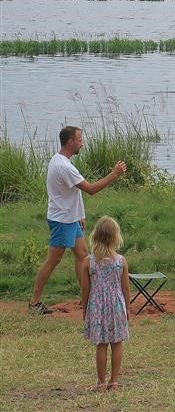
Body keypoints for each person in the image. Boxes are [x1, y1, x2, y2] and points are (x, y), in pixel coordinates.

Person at [29, 126, 127, 314]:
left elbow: (72, 193)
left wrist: (79, 215)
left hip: (70, 218)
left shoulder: (59, 160)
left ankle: (87, 299)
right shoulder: (64, 166)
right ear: (70, 142)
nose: (82, 143)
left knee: (83, 256)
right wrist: (114, 174)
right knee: (53, 260)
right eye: (80, 140)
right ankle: (34, 303)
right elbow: (90, 189)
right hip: (62, 220)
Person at [80, 216, 131, 391]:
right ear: (116, 237)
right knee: (117, 343)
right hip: (117, 305)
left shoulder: (88, 261)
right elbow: (126, 288)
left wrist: (85, 309)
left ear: (95, 236)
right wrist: (128, 309)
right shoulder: (121, 261)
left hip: (97, 306)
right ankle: (114, 381)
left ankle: (101, 382)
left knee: (101, 344)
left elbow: (85, 289)